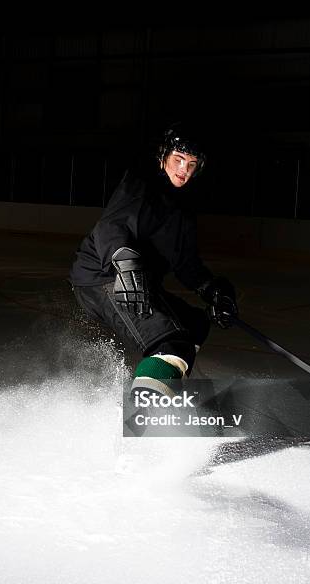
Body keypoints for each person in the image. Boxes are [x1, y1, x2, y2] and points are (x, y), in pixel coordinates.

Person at [69, 122, 238, 399]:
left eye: (191, 164)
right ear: (163, 158)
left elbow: (185, 263)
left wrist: (215, 291)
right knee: (170, 343)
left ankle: (163, 388)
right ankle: (144, 414)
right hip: (105, 277)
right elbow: (110, 227)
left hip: (136, 280)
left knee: (194, 324)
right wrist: (124, 261)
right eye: (178, 160)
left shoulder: (181, 210)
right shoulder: (141, 183)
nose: (184, 169)